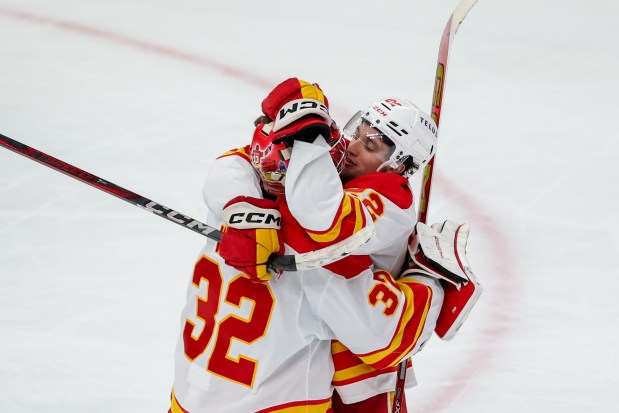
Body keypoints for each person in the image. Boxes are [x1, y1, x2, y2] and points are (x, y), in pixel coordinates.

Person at [169, 78, 477, 413]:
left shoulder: (233, 212)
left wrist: (243, 209)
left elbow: (236, 164)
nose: (353, 147)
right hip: (302, 388)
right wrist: (428, 280)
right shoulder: (322, 264)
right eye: (356, 135)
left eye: (370, 146)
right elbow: (382, 336)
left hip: (187, 399)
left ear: (400, 165)